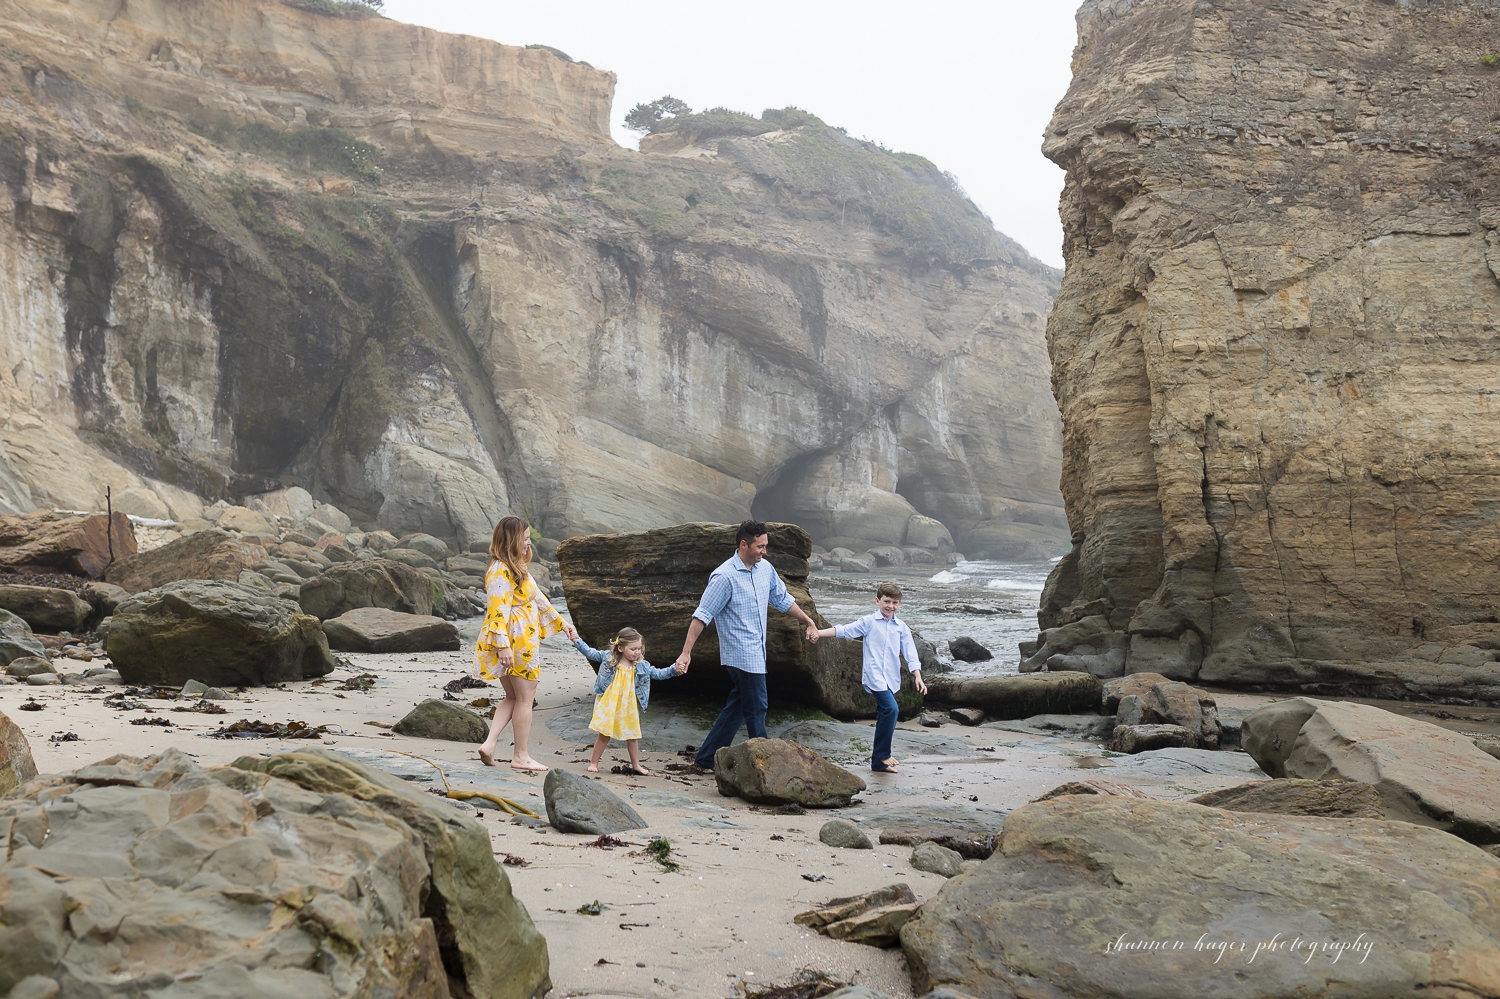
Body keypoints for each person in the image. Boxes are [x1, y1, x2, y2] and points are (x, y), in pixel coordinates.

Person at [675, 519, 820, 771]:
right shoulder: (724, 576)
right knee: (757, 706)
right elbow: (702, 616)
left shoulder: (765, 569)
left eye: (765, 546)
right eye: (760, 546)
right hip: (740, 654)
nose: (765, 551)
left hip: (757, 650)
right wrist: (686, 653)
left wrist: (807, 620)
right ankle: (765, 765)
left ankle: (706, 758)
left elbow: (782, 599)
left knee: (740, 705)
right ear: (744, 544)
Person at [476, 515, 578, 771]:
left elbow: (538, 598)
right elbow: (496, 610)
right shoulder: (500, 569)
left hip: (518, 638)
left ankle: (489, 744)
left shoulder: (515, 567)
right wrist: (503, 646)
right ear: (511, 540)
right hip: (516, 640)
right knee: (525, 698)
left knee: (512, 696)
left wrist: (561, 622)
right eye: (525, 539)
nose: (529, 544)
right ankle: (520, 756)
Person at [812, 581, 927, 773]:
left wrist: (918, 676)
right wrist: (818, 633)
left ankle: (877, 764)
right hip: (874, 676)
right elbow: (844, 630)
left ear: (900, 604)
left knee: (885, 713)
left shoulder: (901, 627)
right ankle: (883, 754)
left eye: (895, 602)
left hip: (891, 677)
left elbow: (910, 652)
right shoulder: (869, 622)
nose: (891, 606)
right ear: (877, 601)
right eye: (887, 601)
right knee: (891, 709)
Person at [575, 627, 686, 775]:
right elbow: (590, 652)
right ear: (620, 648)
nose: (637, 652)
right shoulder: (609, 658)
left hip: (629, 706)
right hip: (610, 702)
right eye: (633, 649)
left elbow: (658, 673)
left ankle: (636, 765)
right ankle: (594, 762)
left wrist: (674, 669)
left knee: (632, 736)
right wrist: (577, 640)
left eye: (639, 648)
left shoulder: (641, 665)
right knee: (604, 734)